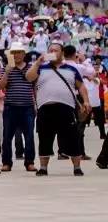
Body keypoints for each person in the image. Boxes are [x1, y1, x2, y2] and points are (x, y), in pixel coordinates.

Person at [27, 43, 89, 176]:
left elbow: (81, 86)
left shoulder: (71, 69)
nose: (53, 52)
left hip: (66, 108)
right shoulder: (41, 68)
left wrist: (86, 101)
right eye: (50, 50)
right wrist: (37, 63)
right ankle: (43, 167)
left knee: (73, 138)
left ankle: (77, 167)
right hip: (45, 108)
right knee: (44, 138)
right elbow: (29, 77)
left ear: (62, 53)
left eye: (56, 50)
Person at [0, 42, 37, 172]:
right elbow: (1, 86)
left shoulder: (31, 67)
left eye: (19, 52)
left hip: (27, 107)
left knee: (29, 136)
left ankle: (29, 162)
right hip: (10, 107)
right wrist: (7, 72)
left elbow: (35, 86)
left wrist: (36, 104)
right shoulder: (5, 68)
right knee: (7, 137)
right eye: (13, 52)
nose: (16, 55)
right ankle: (6, 162)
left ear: (24, 54)